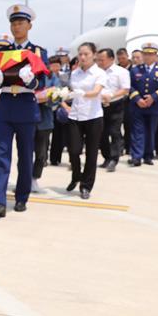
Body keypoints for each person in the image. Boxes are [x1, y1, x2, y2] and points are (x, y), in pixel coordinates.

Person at [0, 4, 48, 217]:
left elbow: (42, 83)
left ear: (29, 25)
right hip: (4, 106)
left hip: (25, 107)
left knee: (24, 155)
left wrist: (30, 82)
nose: (16, 26)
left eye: (21, 22)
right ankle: (0, 199)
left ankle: (22, 197)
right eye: (13, 23)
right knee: (2, 155)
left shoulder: (38, 52)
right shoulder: (2, 52)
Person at [60, 43, 106, 199]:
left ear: (94, 55)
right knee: (73, 150)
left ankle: (86, 186)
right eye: (80, 54)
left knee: (91, 154)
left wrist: (83, 93)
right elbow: (72, 91)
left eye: (86, 54)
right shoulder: (75, 73)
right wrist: (67, 94)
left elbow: (97, 91)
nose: (82, 57)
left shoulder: (99, 73)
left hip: (93, 116)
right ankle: (76, 175)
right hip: (75, 116)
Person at [127, 42, 158, 166]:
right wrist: (137, 99)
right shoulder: (135, 70)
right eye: (145, 54)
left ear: (156, 55)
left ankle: (148, 155)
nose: (147, 56)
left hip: (154, 106)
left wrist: (154, 97)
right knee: (137, 132)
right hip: (137, 106)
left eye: (150, 54)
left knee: (151, 132)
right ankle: (136, 157)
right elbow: (130, 86)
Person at [96, 47, 130, 172]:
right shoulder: (97, 71)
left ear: (111, 59)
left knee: (114, 132)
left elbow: (125, 89)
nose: (100, 62)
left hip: (115, 105)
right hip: (99, 105)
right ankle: (106, 157)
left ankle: (114, 159)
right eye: (98, 60)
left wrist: (111, 96)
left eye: (102, 60)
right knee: (101, 133)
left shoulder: (121, 72)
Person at [32, 56, 61, 193]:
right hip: (27, 120)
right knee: (24, 153)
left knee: (41, 153)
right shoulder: (25, 76)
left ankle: (34, 178)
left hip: (45, 120)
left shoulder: (51, 77)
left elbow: (57, 96)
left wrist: (46, 98)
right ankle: (24, 179)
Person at [49, 47, 72, 166]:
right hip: (48, 107)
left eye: (57, 65)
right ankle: (46, 157)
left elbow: (67, 89)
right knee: (46, 134)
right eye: (53, 65)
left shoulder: (64, 76)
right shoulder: (46, 76)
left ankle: (55, 158)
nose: (55, 68)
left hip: (60, 109)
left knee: (59, 134)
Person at [117, 47, 133, 155]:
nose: (122, 60)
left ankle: (128, 147)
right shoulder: (116, 69)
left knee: (128, 125)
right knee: (116, 126)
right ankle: (120, 146)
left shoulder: (134, 69)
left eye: (123, 58)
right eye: (119, 59)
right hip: (117, 101)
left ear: (127, 56)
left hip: (130, 102)